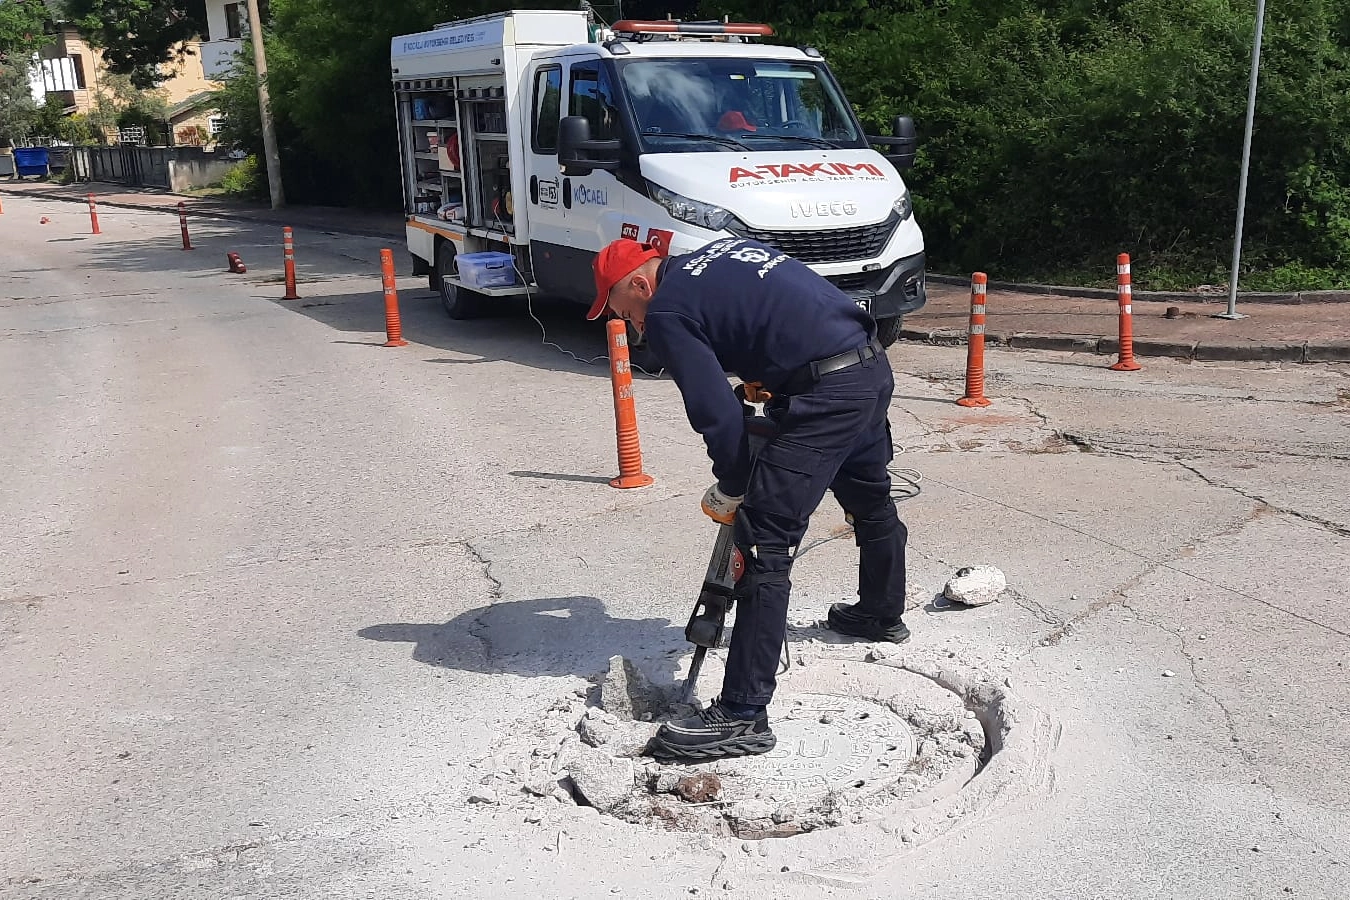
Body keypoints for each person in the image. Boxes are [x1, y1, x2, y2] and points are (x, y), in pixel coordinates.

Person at [586, 238, 911, 761]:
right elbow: (775, 313)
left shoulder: (668, 309)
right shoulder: (712, 255)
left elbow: (716, 416)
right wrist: (778, 375)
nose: (635, 328)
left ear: (641, 285)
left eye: (626, 312)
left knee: (762, 541)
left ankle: (743, 715)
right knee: (870, 499)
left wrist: (735, 484)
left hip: (826, 395)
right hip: (867, 368)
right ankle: (880, 613)